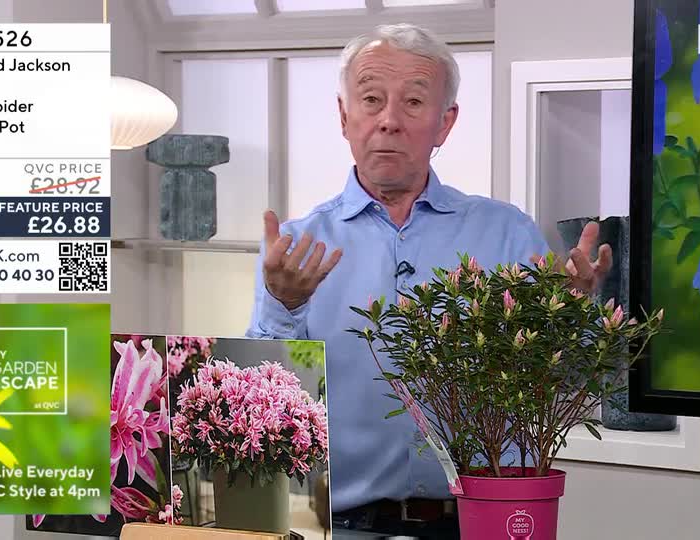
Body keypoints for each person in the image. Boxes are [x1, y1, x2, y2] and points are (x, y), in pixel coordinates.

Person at [246, 23, 612, 538]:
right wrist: (282, 305)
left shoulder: (505, 232)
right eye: (371, 99)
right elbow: (267, 407)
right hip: (337, 524)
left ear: (446, 122)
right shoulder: (295, 248)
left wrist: (574, 315)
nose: (389, 121)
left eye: (414, 103)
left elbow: (568, 384)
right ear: (344, 115)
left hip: (480, 521)